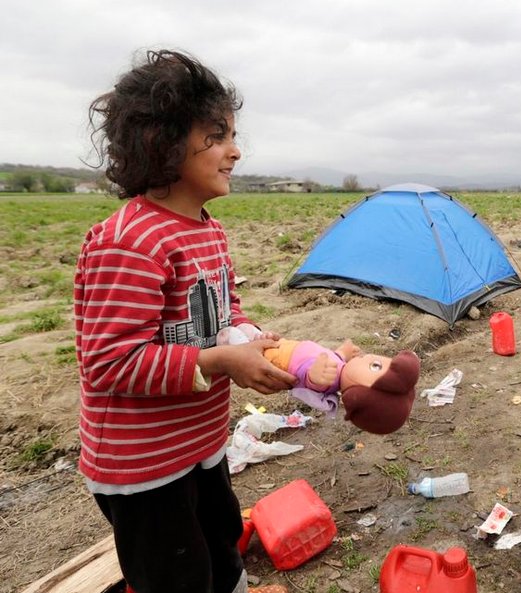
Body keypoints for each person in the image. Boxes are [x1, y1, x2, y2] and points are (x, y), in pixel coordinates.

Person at [76, 49, 296, 593]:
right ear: (163, 142)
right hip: (145, 469)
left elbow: (223, 310)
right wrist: (220, 360)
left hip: (201, 445)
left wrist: (246, 336)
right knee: (176, 577)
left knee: (223, 548)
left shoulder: (206, 230)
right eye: (217, 136)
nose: (235, 151)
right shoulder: (130, 241)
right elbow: (109, 362)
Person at [219, 327, 421, 434]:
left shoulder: (327, 378)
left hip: (266, 358)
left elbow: (313, 381)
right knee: (247, 327)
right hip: (276, 345)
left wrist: (314, 377)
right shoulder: (338, 368)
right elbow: (336, 358)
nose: (371, 357)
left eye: (375, 366)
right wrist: (343, 352)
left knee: (232, 335)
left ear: (359, 394)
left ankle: (226, 350)